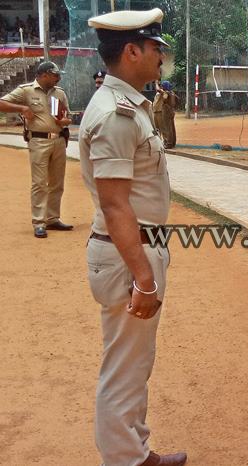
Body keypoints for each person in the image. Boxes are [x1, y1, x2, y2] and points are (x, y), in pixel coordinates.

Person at [80, 8, 187, 466]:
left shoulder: (130, 106)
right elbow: (115, 204)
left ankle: (134, 451)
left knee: (134, 362)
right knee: (125, 367)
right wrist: (144, 278)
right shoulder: (116, 114)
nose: (161, 57)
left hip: (135, 247)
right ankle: (125, 459)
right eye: (155, 48)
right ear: (131, 51)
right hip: (130, 253)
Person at [2, 61, 72, 238]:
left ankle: (52, 218)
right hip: (39, 141)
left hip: (58, 140)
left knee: (57, 182)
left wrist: (65, 121)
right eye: (55, 75)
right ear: (44, 75)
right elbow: (1, 103)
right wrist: (22, 108)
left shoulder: (59, 93)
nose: (58, 78)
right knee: (39, 183)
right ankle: (39, 222)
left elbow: (67, 116)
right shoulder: (26, 90)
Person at [153, 80, 177, 148]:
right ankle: (167, 142)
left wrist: (156, 83)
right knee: (159, 128)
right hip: (157, 111)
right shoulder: (169, 92)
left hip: (162, 111)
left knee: (165, 128)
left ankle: (168, 143)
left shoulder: (165, 92)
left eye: (162, 86)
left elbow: (158, 89)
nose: (161, 87)